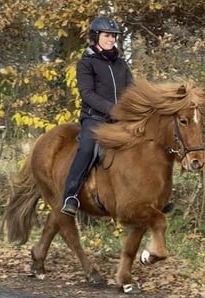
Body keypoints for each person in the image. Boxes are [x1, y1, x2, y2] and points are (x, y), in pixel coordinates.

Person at [61, 16, 134, 217]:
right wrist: (112, 109)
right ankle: (71, 196)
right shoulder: (86, 63)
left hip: (120, 120)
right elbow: (88, 94)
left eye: (113, 36)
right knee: (87, 148)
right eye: (107, 36)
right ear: (96, 37)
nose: (111, 39)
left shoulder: (121, 64)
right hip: (94, 118)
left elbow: (132, 89)